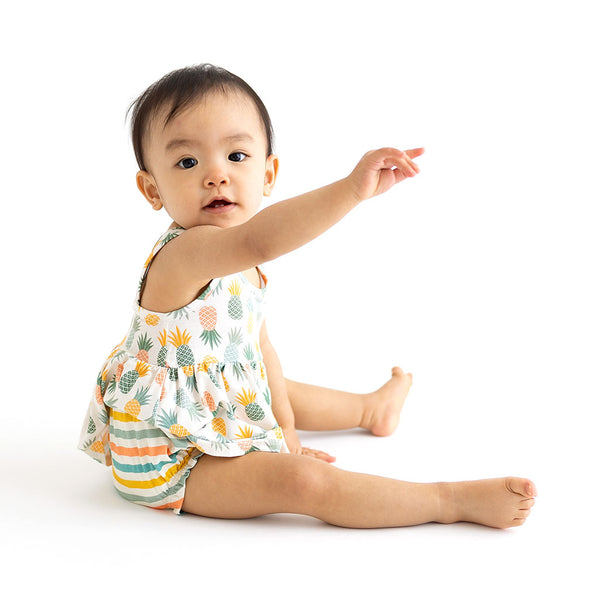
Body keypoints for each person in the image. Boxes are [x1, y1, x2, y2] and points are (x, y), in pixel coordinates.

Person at [78, 64, 537, 528]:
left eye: (236, 156)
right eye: (187, 162)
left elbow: (261, 348)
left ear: (268, 174)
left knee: (271, 382)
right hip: (169, 459)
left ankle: (370, 408)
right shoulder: (187, 253)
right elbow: (260, 238)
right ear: (152, 188)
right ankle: (448, 502)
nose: (216, 175)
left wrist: (286, 428)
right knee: (302, 482)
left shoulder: (243, 269)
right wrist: (350, 191)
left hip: (208, 406)